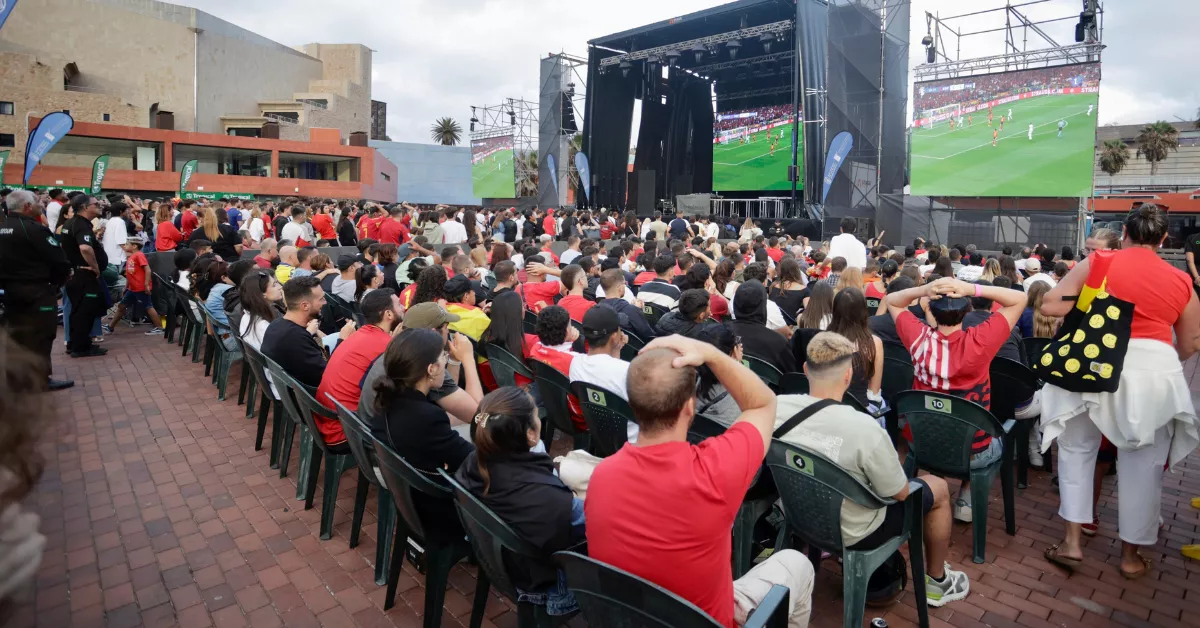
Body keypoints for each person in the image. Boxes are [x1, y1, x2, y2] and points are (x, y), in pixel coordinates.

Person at [586, 335, 814, 628]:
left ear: (633, 404)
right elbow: (763, 404)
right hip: (708, 619)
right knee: (797, 565)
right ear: (689, 408)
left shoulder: (601, 477)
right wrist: (712, 354)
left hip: (635, 616)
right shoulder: (713, 472)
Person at [1040, 204, 1200, 579]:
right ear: (1163, 240)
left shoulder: (1101, 262)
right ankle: (1130, 557)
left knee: (1078, 452)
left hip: (1090, 364)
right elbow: (1191, 342)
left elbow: (1049, 304)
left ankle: (1073, 543)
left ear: (1125, 233)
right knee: (1142, 464)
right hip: (1152, 372)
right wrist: (1162, 357)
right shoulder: (1180, 280)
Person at [774, 332, 970, 607]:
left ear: (806, 369)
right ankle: (937, 582)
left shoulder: (777, 407)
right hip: (855, 531)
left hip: (801, 513)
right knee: (937, 487)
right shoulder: (865, 427)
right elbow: (901, 493)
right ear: (848, 375)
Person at [886, 276, 1026, 522]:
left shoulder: (918, 338)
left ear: (930, 309)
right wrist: (972, 288)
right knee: (983, 430)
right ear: (967, 311)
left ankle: (932, 482)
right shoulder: (980, 341)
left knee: (944, 420)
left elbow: (893, 302)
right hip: (972, 450)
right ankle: (966, 494)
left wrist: (925, 289)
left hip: (923, 443)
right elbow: (1020, 299)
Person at [455, 387, 584, 616]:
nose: (539, 418)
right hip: (547, 585)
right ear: (531, 435)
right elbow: (589, 526)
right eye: (536, 415)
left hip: (500, 562)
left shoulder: (474, 462)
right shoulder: (547, 498)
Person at [371, 327, 474, 539]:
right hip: (439, 510)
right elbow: (471, 458)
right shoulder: (427, 417)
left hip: (409, 497)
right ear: (431, 369)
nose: (445, 361)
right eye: (443, 357)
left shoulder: (388, 399)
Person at [0, 190, 74, 388]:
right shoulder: (33, 229)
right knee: (41, 335)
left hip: (11, 293)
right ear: (27, 207)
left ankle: (16, 379)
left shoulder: (4, 227)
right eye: (37, 203)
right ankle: (39, 380)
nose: (41, 205)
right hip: (37, 292)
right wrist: (56, 283)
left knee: (16, 336)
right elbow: (59, 261)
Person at [316, 289, 401, 449]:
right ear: (388, 314)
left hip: (329, 419)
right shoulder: (385, 346)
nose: (403, 307)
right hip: (345, 429)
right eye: (398, 305)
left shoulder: (359, 334)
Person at [260, 276, 354, 388]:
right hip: (316, 396)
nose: (325, 303)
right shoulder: (294, 338)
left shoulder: (277, 325)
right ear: (305, 306)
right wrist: (343, 341)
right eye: (321, 299)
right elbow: (329, 375)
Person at [569, 306, 637, 443]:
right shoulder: (627, 371)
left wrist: (616, 351)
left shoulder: (575, 363)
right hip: (631, 441)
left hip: (598, 431)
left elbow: (607, 372)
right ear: (613, 337)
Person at [59, 195, 108, 358]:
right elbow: (85, 248)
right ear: (85, 207)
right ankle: (80, 347)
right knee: (85, 310)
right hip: (83, 275)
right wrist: (95, 267)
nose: (99, 205)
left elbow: (63, 245)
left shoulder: (70, 223)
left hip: (75, 273)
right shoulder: (80, 224)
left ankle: (77, 343)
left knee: (78, 310)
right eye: (95, 204)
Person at [826, 288, 883, 409]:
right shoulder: (874, 343)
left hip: (828, 407)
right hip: (860, 410)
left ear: (835, 310)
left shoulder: (822, 341)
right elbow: (874, 391)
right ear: (863, 312)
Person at [729, 281, 796, 373]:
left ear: (735, 303)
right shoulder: (778, 343)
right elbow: (791, 375)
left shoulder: (718, 334)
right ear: (762, 306)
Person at [109, 238, 163, 335]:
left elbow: (148, 270)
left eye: (127, 244)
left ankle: (159, 327)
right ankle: (110, 327)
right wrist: (126, 286)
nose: (124, 246)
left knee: (148, 306)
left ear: (134, 246)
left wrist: (146, 284)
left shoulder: (139, 255)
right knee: (122, 306)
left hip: (140, 287)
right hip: (132, 288)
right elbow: (130, 274)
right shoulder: (131, 257)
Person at [596, 269, 656, 341]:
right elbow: (648, 336)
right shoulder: (631, 310)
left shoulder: (595, 309)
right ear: (620, 288)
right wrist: (637, 310)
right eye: (624, 284)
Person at [443, 274, 491, 341]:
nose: (474, 293)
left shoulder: (440, 311)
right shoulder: (479, 317)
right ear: (466, 296)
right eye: (473, 290)